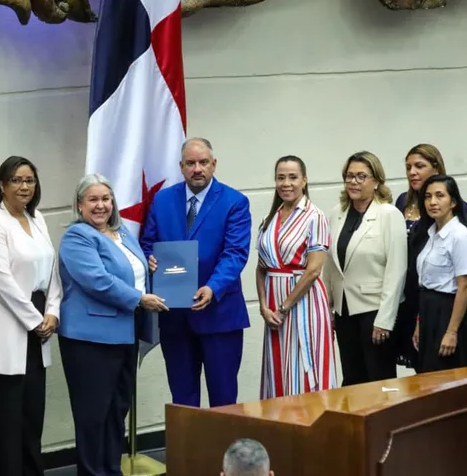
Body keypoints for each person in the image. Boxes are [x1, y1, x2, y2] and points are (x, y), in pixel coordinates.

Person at [58, 174, 168, 476]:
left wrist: (150, 266)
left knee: (117, 410)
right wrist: (139, 298)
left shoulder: (122, 232)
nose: (100, 205)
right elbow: (98, 281)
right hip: (90, 340)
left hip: (125, 334)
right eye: (92, 199)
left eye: (105, 199)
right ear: (80, 205)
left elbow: (132, 269)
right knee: (93, 414)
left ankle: (111, 470)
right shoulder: (77, 237)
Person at [141, 137, 252, 408]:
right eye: (190, 163)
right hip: (175, 318)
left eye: (203, 162)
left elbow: (235, 253)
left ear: (214, 164)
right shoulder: (162, 200)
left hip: (219, 316)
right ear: (181, 167)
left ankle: (222, 440)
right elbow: (147, 244)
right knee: (183, 401)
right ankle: (188, 441)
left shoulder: (235, 202)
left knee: (223, 401)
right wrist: (149, 260)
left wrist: (213, 287)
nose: (197, 169)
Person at [0, 157, 61, 476]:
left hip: (40, 321)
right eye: (16, 180)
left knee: (32, 414)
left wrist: (52, 311)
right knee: (9, 419)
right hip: (9, 324)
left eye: (30, 180)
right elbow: (1, 280)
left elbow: (52, 270)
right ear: (2, 185)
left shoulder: (37, 218)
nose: (24, 186)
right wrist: (35, 320)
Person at [322, 152, 407, 386]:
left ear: (376, 181)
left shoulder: (389, 215)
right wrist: (327, 308)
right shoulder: (336, 214)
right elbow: (329, 265)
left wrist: (385, 320)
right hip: (344, 311)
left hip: (374, 311)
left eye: (361, 176)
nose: (354, 182)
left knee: (379, 380)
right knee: (352, 380)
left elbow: (396, 271)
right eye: (349, 176)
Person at [256, 155, 336, 398]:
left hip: (304, 304)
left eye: (293, 177)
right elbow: (261, 267)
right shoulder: (270, 218)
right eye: (281, 178)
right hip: (273, 306)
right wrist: (263, 306)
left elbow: (313, 270)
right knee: (278, 369)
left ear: (304, 180)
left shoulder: (315, 216)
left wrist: (284, 307)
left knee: (303, 369)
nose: (286, 183)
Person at [411, 175, 467, 372]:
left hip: (449, 311)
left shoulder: (460, 235)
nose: (432, 202)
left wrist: (451, 331)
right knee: (428, 373)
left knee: (448, 373)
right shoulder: (430, 233)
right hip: (428, 308)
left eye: (439, 196)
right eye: (428, 196)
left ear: (453, 202)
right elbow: (426, 282)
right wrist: (419, 323)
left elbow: (465, 285)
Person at [392, 144, 446, 370]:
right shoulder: (403, 201)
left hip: (434, 294)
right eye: (408, 167)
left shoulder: (449, 205)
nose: (412, 172)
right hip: (406, 293)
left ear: (436, 168)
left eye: (419, 166)